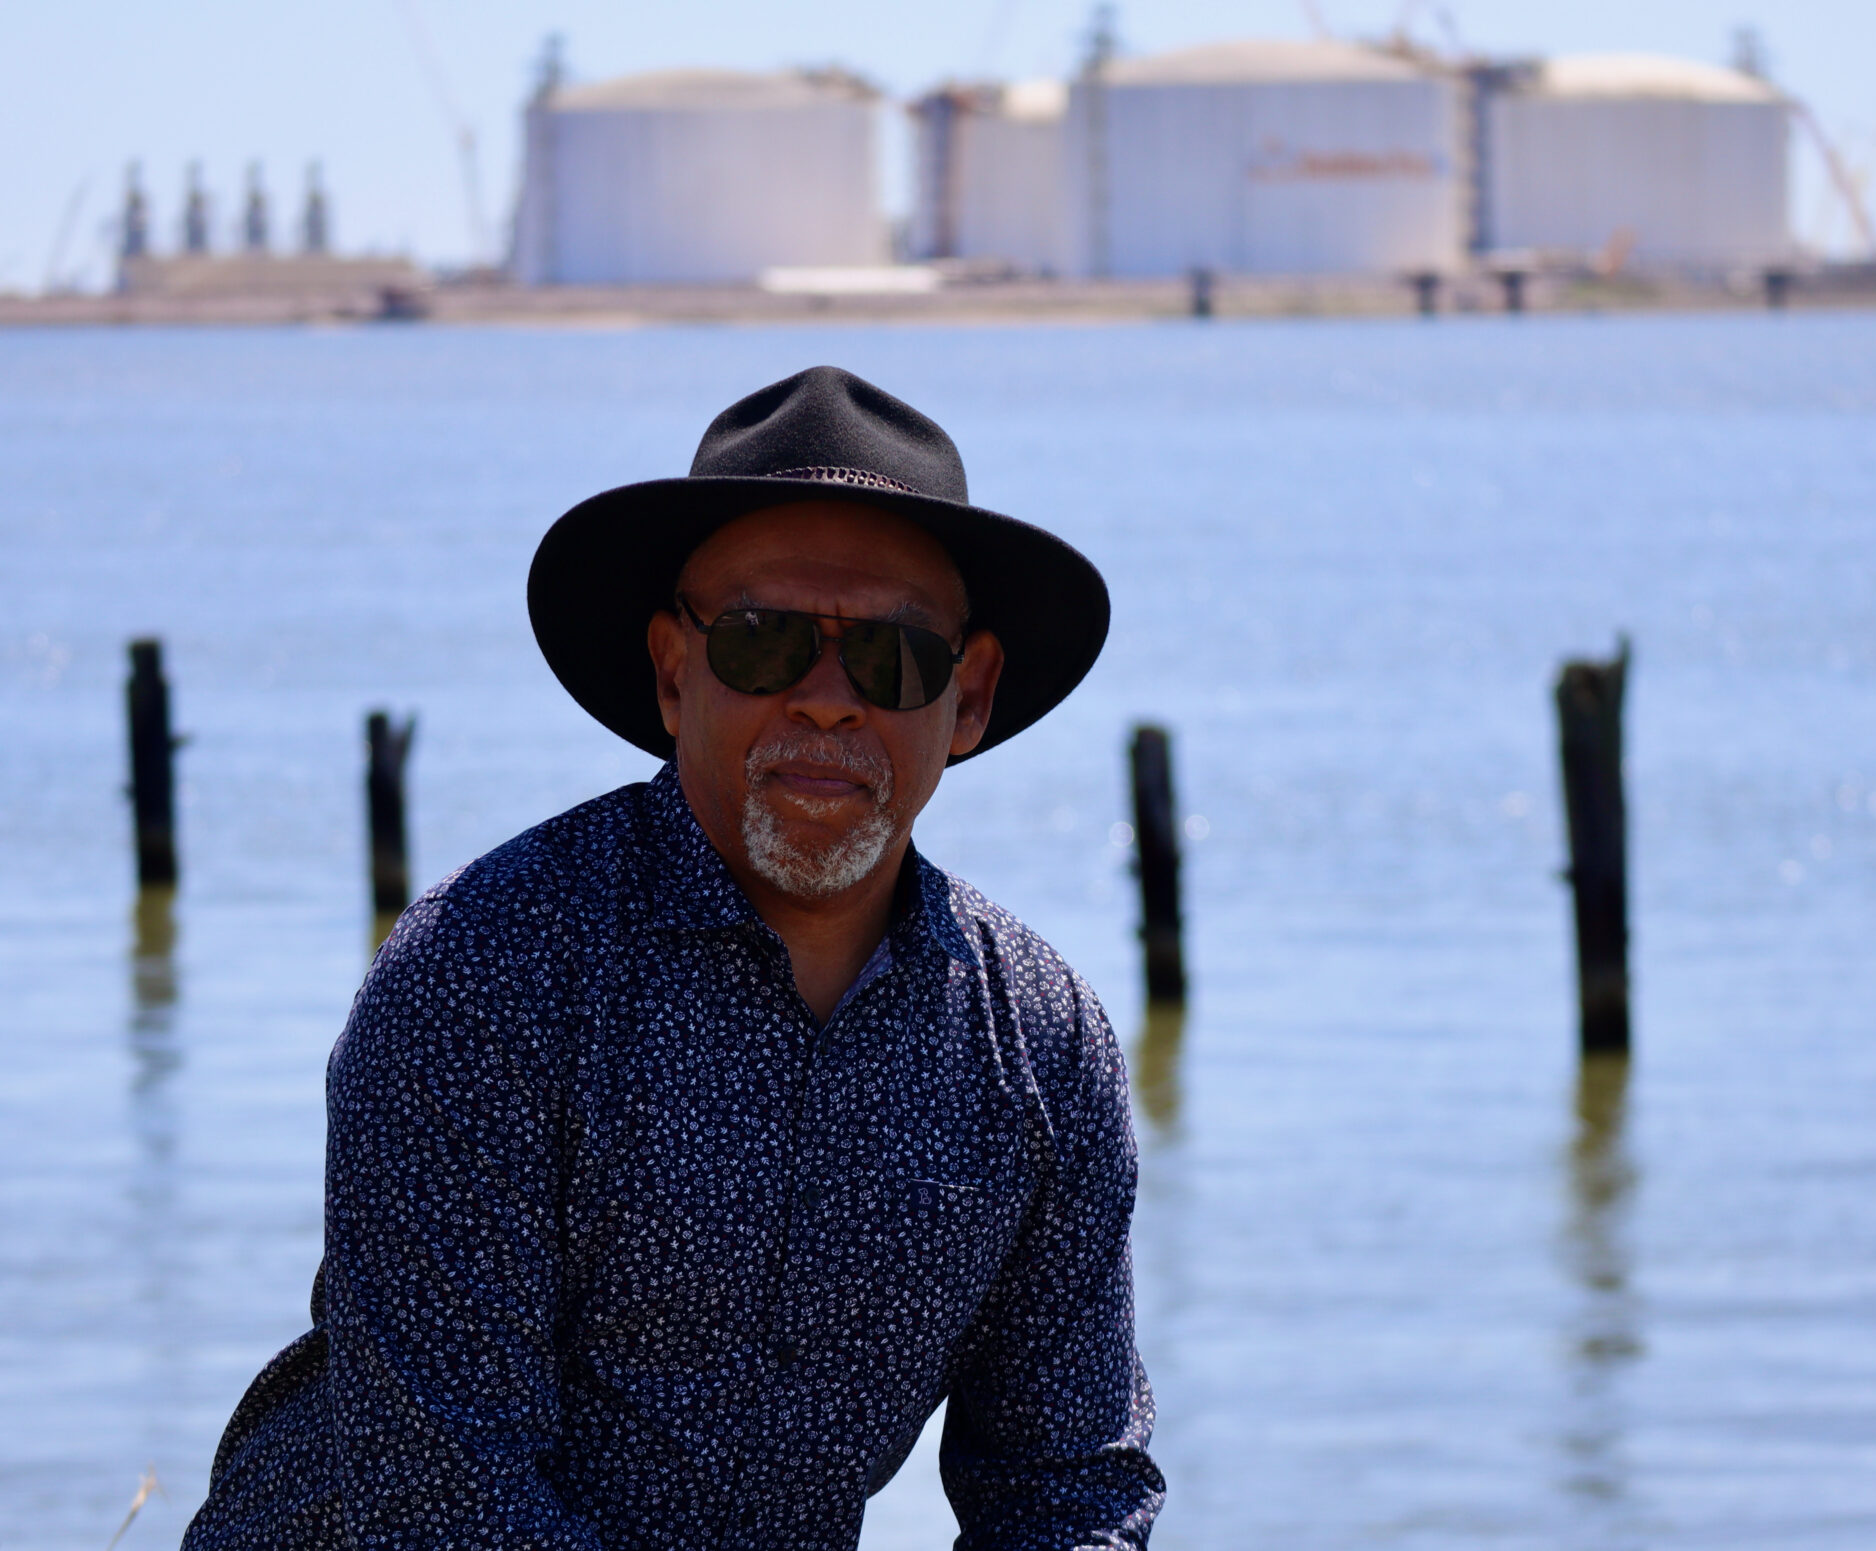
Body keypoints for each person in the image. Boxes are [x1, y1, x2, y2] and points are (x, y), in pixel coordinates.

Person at [183, 366, 1164, 1549]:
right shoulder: (485, 975)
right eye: (762, 642)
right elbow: (447, 1497)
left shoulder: (1042, 1049)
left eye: (894, 658)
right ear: (670, 668)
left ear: (970, 697)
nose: (827, 701)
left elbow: (1064, 1489)